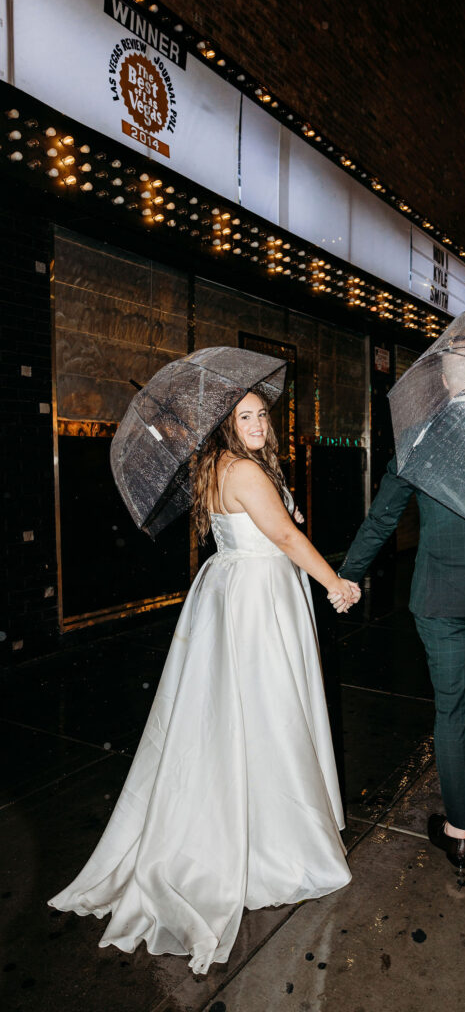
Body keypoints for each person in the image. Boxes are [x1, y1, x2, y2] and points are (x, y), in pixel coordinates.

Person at [49, 386, 360, 974]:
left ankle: (241, 814)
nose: (259, 423)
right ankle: (273, 838)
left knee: (227, 714)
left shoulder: (216, 466)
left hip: (229, 593)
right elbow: (288, 539)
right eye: (245, 416)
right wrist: (334, 583)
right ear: (224, 423)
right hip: (258, 600)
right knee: (267, 710)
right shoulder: (243, 470)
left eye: (262, 414)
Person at [336, 347, 465, 871]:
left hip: (441, 596)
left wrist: (346, 577)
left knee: (453, 709)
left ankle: (459, 832)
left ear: (446, 380)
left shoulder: (419, 440)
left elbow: (381, 520)